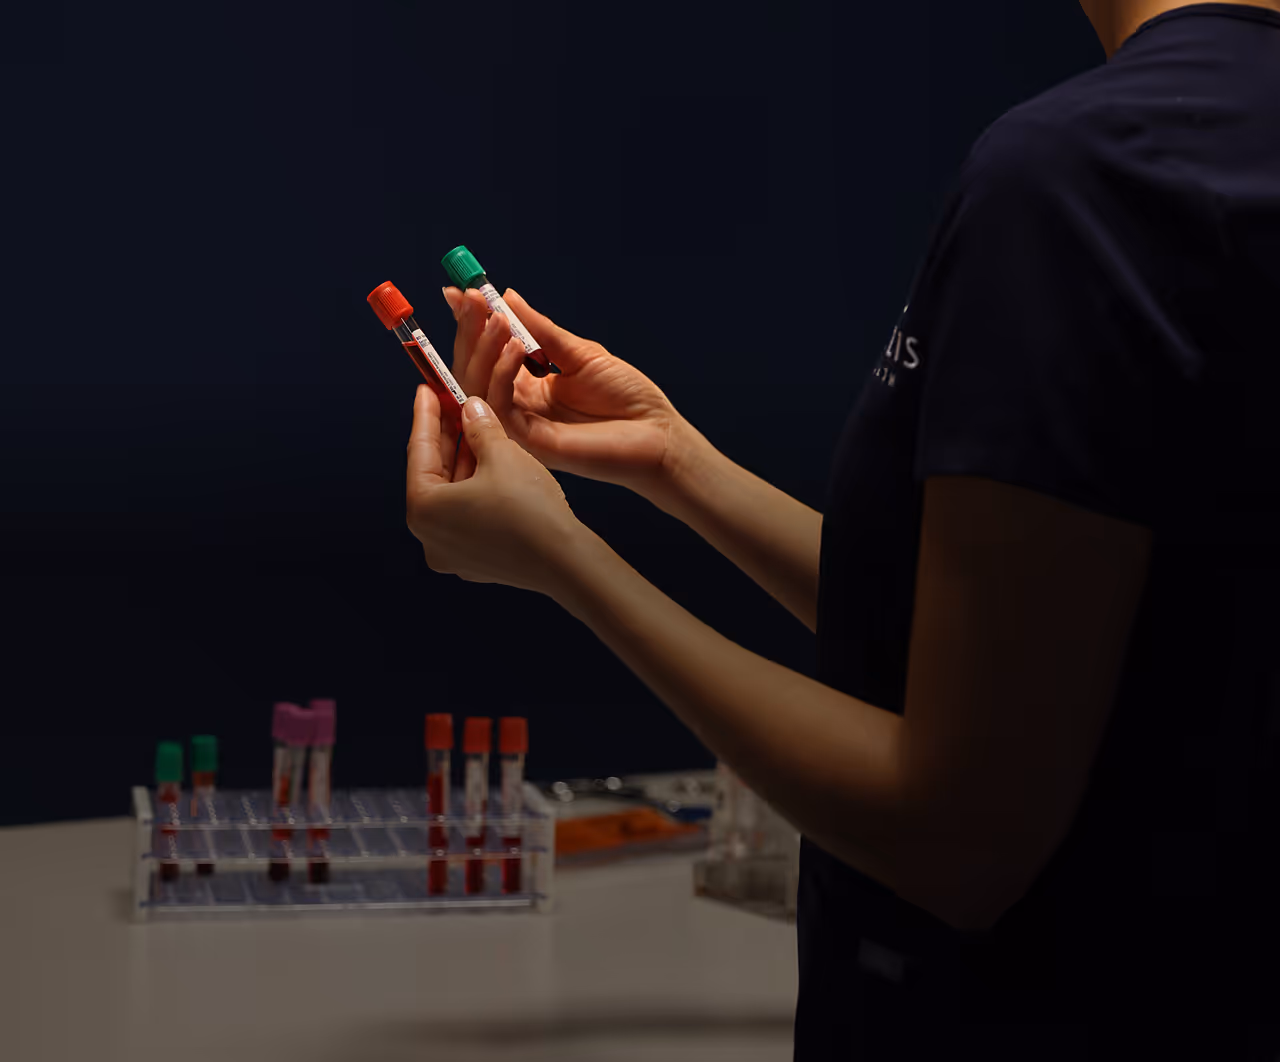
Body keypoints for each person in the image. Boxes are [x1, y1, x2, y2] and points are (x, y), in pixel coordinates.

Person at [405, 1, 1280, 1057]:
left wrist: (562, 560)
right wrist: (673, 460)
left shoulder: (1079, 175)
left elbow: (955, 835)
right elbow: (1027, 645)